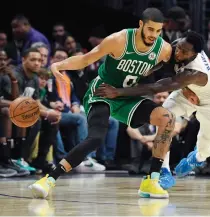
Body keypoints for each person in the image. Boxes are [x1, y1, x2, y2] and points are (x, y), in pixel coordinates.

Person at [29, 8, 176, 199]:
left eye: (158, 31)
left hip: (127, 96)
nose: (153, 35)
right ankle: (49, 179)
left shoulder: (163, 49)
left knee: (167, 118)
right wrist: (59, 65)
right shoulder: (120, 40)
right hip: (102, 92)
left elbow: (172, 69)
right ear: (141, 25)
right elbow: (86, 59)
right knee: (96, 138)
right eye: (150, 29)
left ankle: (151, 181)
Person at [95, 31, 210, 179]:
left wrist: (118, 92)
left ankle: (197, 158)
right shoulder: (177, 45)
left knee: (205, 142)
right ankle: (163, 170)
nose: (178, 52)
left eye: (184, 52)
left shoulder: (195, 72)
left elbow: (155, 88)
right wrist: (145, 70)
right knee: (164, 118)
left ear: (195, 54)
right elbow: (162, 61)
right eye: (179, 47)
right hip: (186, 91)